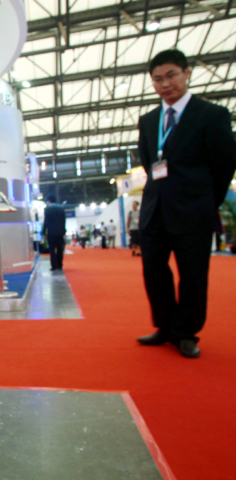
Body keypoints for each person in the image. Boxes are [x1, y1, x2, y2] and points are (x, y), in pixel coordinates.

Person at [136, 49, 236, 358]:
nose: (165, 84)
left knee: (192, 275)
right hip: (155, 210)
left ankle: (186, 332)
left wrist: (206, 201)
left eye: (171, 75)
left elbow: (224, 164)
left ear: (186, 73)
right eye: (157, 79)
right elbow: (148, 162)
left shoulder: (212, 115)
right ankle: (166, 326)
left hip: (193, 211)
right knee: (154, 271)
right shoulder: (149, 121)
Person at [43, 194, 66, 271]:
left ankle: (54, 266)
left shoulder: (47, 209)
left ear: (49, 201)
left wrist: (44, 232)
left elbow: (46, 222)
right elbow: (63, 221)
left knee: (52, 249)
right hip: (60, 232)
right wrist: (64, 231)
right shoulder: (61, 209)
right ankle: (60, 265)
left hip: (51, 232)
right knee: (60, 249)